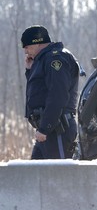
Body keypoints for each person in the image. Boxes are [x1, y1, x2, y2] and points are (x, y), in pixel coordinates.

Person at [21, 25, 83, 159]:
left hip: (57, 129)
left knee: (60, 175)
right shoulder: (43, 59)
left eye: (27, 47)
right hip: (48, 129)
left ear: (37, 43)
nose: (26, 52)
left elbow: (58, 96)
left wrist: (45, 128)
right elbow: (39, 90)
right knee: (36, 175)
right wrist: (29, 70)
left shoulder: (55, 59)